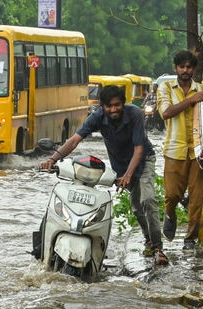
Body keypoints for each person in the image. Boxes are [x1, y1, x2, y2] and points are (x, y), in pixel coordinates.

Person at [40, 85, 168, 265]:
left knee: (148, 200)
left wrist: (128, 176)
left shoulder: (135, 114)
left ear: (123, 103)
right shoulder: (97, 117)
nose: (113, 109)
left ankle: (158, 247)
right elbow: (75, 139)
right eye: (109, 106)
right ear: (103, 106)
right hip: (121, 166)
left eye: (117, 105)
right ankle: (148, 240)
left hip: (143, 160)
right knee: (137, 207)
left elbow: (139, 149)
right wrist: (52, 160)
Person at [157, 50, 203, 251]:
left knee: (196, 198)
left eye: (189, 67)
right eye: (182, 67)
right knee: (172, 195)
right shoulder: (165, 87)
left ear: (194, 69)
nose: (185, 70)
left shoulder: (201, 89)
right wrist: (190, 101)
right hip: (174, 149)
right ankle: (170, 214)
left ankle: (190, 238)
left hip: (198, 151)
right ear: (176, 68)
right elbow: (166, 113)